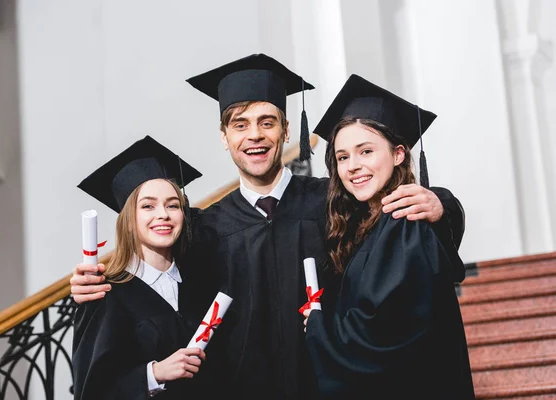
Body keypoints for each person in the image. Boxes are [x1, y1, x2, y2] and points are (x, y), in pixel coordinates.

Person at [71, 54, 466, 399]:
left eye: (267, 122)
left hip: (335, 386)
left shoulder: (335, 202)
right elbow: (153, 259)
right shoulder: (204, 228)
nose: (254, 135)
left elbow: (396, 236)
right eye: (239, 125)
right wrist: (89, 283)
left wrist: (441, 203)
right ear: (224, 138)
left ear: (287, 130)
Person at [302, 74, 475, 399]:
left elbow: (385, 332)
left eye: (365, 151)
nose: (353, 166)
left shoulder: (404, 223)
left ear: (398, 154)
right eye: (342, 157)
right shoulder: (366, 225)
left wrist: (319, 327)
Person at [72, 135, 212, 399]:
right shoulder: (106, 295)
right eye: (148, 205)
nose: (163, 214)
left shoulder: (198, 280)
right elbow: (91, 391)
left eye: (173, 205)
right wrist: (153, 374)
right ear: (128, 220)